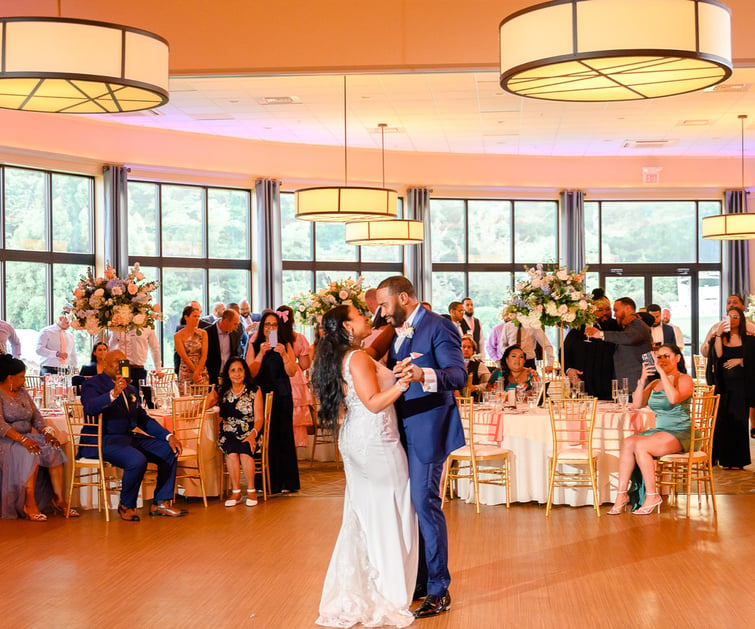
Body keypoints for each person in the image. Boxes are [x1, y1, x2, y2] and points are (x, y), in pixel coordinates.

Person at [312, 305, 417, 628]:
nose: (366, 319)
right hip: (376, 441)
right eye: (359, 315)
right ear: (346, 325)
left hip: (358, 440)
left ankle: (369, 586)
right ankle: (389, 592)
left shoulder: (344, 356)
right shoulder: (356, 358)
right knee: (391, 511)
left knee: (367, 514)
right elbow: (372, 403)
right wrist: (402, 383)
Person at [376, 276, 466, 619]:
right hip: (403, 427)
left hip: (429, 428)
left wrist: (422, 374)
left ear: (403, 298)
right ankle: (421, 576)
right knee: (411, 506)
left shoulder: (438, 326)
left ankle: (439, 589)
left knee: (425, 503)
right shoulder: (398, 332)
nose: (383, 313)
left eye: (385, 305)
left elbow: (457, 376)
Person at [81, 350, 186, 521]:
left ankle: (161, 502)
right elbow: (90, 408)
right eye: (116, 362)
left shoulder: (130, 388)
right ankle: (126, 505)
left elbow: (142, 419)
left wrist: (168, 436)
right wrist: (113, 394)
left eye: (124, 362)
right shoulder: (93, 384)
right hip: (104, 438)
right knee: (137, 460)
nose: (120, 366)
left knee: (169, 450)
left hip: (128, 436)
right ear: (105, 363)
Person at [608, 344, 693, 516]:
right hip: (661, 430)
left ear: (677, 358)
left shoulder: (684, 379)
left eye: (666, 356)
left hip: (681, 431)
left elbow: (674, 398)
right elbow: (638, 404)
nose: (661, 360)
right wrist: (642, 379)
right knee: (629, 442)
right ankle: (621, 495)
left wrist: (663, 374)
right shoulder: (655, 383)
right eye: (658, 357)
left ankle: (653, 495)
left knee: (641, 446)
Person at [0, 355, 73, 520]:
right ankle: (29, 502)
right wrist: (23, 440)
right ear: (9, 378)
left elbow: (37, 417)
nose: (24, 380)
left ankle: (59, 499)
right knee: (30, 453)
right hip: (7, 440)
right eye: (21, 377)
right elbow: (1, 425)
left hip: (27, 435)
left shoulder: (22, 392)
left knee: (53, 448)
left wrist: (46, 431)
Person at [245, 310, 300, 494]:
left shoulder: (285, 344)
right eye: (267, 325)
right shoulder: (254, 344)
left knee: (284, 435)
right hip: (262, 394)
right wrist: (261, 353)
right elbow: (250, 372)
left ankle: (287, 482)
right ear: (262, 327)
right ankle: (267, 482)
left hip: (283, 393)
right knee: (266, 437)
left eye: (274, 325)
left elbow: (292, 371)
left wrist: (284, 355)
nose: (270, 328)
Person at [206, 357, 263, 508]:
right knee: (231, 451)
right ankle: (236, 492)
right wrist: (210, 398)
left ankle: (251, 490)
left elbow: (259, 419)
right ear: (228, 374)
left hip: (249, 431)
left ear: (245, 372)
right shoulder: (222, 391)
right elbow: (203, 408)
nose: (237, 373)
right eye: (233, 370)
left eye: (240, 370)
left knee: (245, 451)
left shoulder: (254, 391)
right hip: (228, 432)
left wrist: (253, 435)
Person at [706, 306, 754, 469]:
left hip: (741, 387)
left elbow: (752, 358)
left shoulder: (748, 338)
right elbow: (718, 354)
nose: (732, 320)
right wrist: (718, 333)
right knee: (723, 421)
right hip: (724, 386)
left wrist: (740, 360)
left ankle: (738, 461)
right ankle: (725, 460)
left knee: (740, 422)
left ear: (741, 320)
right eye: (729, 317)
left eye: (735, 317)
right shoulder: (721, 337)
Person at [586, 297, 652, 396]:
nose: (614, 314)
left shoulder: (638, 325)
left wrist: (601, 334)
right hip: (628, 385)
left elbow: (629, 338)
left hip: (636, 384)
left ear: (628, 308)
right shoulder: (628, 327)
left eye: (616, 310)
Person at [563, 294, 619, 400]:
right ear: (591, 311)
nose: (605, 313)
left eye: (608, 309)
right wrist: (569, 370)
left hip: (610, 388)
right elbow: (564, 352)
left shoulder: (617, 328)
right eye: (600, 310)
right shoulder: (579, 329)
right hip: (583, 386)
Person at [276, 305, 313, 448]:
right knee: (295, 417)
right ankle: (293, 456)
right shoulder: (299, 337)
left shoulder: (273, 336)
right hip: (295, 376)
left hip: (279, 373)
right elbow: (305, 364)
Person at [107, 327, 163, 405]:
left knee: (138, 400)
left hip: (139, 368)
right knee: (124, 399)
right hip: (123, 367)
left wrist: (158, 369)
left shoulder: (147, 327)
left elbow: (155, 348)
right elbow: (111, 347)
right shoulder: (118, 327)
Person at [175, 305, 209, 390]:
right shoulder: (178, 336)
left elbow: (204, 355)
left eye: (198, 316)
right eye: (194, 316)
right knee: (186, 400)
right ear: (186, 317)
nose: (197, 319)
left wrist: (198, 372)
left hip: (201, 370)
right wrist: (195, 372)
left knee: (202, 400)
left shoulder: (203, 333)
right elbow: (184, 357)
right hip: (186, 371)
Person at [205, 309, 242, 385]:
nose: (236, 327)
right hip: (210, 377)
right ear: (226, 321)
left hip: (228, 378)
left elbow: (236, 355)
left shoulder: (235, 335)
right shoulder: (207, 333)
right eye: (235, 324)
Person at [460, 335, 489, 401]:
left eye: (469, 347)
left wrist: (476, 387)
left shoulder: (479, 365)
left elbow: (488, 384)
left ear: (473, 350)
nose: (466, 349)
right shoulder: (452, 364)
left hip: (473, 402)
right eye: (463, 347)